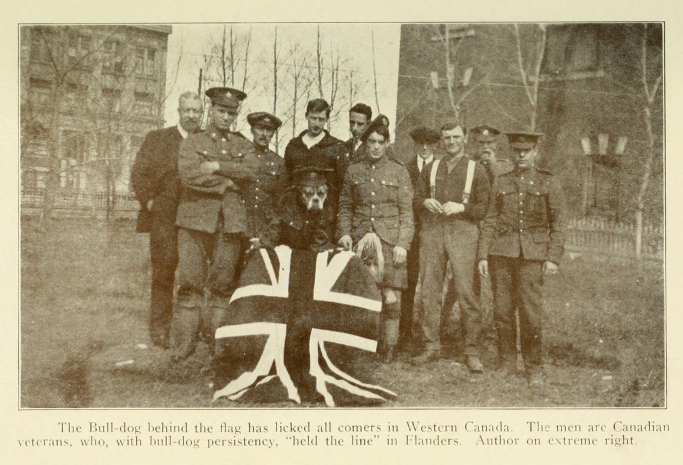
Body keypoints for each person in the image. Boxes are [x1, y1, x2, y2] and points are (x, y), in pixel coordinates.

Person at [173, 87, 258, 363]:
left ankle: (216, 344)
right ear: (212, 111)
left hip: (230, 224)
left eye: (231, 113)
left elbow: (250, 171)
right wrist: (226, 183)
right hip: (194, 221)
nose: (226, 117)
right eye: (221, 111)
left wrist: (217, 166)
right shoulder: (193, 141)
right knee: (190, 284)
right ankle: (185, 344)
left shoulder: (243, 144)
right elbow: (189, 177)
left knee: (222, 287)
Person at [477, 132, 566, 386]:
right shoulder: (502, 181)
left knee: (530, 313)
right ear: (512, 152)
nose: (521, 155)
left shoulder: (549, 181)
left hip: (532, 256)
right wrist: (483, 255)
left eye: (526, 151)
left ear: (535, 151)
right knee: (502, 311)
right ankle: (507, 363)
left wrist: (553, 258)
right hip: (501, 254)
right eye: (517, 151)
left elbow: (559, 223)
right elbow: (491, 219)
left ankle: (534, 366)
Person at [412, 122, 490, 372]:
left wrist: (462, 207)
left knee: (467, 291)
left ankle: (471, 350)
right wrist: (425, 201)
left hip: (463, 232)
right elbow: (415, 199)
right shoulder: (431, 167)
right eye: (446, 138)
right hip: (433, 230)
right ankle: (431, 345)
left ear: (465, 138)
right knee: (430, 289)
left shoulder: (476, 170)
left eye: (456, 137)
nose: (451, 142)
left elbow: (484, 208)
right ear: (441, 141)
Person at [337, 116, 414, 363]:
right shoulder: (354, 169)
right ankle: (361, 346)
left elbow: (407, 212)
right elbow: (346, 207)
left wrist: (403, 244)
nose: (376, 146)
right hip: (360, 240)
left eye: (381, 142)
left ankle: (388, 349)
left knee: (391, 300)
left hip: (390, 242)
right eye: (372, 141)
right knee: (359, 296)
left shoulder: (399, 171)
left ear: (387, 143)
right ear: (365, 142)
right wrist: (345, 233)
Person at [131, 91, 203, 349]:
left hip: (196, 217)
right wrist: (150, 202)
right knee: (164, 272)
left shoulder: (206, 141)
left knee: (195, 275)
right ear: (179, 111)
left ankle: (192, 330)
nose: (192, 116)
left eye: (196, 111)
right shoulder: (158, 139)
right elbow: (139, 173)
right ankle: (160, 329)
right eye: (187, 110)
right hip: (164, 217)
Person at [399, 126, 441, 353]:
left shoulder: (441, 168)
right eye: (420, 143)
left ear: (435, 145)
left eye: (430, 143)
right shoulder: (405, 168)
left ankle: (431, 337)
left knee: (431, 286)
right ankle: (405, 333)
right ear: (415, 144)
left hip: (434, 234)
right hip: (411, 235)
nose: (425, 148)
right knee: (408, 284)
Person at [284, 98, 346, 202]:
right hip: (296, 212)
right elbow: (286, 182)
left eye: (321, 119)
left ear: (327, 119)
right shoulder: (293, 146)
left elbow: (342, 186)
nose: (316, 124)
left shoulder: (337, 147)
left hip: (326, 212)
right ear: (306, 116)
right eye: (313, 118)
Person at [244, 111, 287, 249]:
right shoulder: (241, 158)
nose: (264, 134)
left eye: (269, 130)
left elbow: (280, 205)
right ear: (252, 130)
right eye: (260, 128)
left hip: (265, 231)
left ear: (273, 134)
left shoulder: (279, 163)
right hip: (241, 228)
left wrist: (268, 237)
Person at [337, 103, 372, 176]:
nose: (354, 128)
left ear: (368, 124)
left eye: (360, 124)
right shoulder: (343, 147)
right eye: (352, 122)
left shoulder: (374, 148)